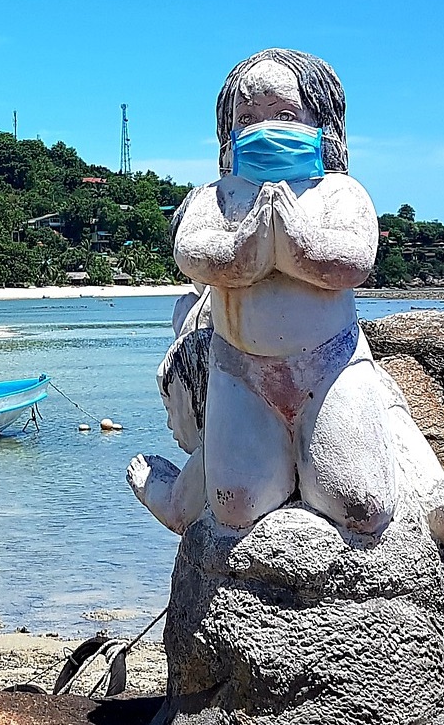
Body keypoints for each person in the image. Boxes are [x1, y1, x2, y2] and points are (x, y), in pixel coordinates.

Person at [169, 48, 394, 534]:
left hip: (330, 364)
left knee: (361, 501)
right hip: (241, 370)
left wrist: (297, 243)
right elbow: (191, 252)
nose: (261, 128)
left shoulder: (340, 192)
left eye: (285, 115)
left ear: (321, 121)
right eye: (246, 117)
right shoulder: (218, 195)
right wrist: (247, 246)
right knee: (236, 502)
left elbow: (354, 261)